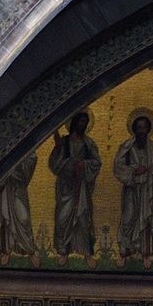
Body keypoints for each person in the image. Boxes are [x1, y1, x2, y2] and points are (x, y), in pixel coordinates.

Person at [113, 109, 153, 261]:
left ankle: (145, 252)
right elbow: (117, 167)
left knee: (146, 218)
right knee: (128, 217)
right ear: (134, 129)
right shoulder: (127, 147)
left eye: (144, 127)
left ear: (149, 129)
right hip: (132, 189)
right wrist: (134, 171)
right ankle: (125, 248)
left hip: (147, 190)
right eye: (139, 128)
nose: (141, 131)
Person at [49, 110, 100, 257]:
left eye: (85, 122)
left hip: (82, 187)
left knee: (83, 217)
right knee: (63, 217)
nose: (82, 124)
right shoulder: (64, 142)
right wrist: (61, 152)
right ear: (73, 123)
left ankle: (83, 249)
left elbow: (96, 163)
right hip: (66, 186)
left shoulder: (88, 143)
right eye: (80, 121)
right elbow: (53, 164)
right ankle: (63, 249)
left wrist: (83, 164)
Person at [0, 151, 37, 257]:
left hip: (18, 187)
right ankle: (5, 251)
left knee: (23, 217)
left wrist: (16, 164)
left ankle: (29, 250)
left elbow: (31, 156)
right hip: (3, 187)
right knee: (3, 217)